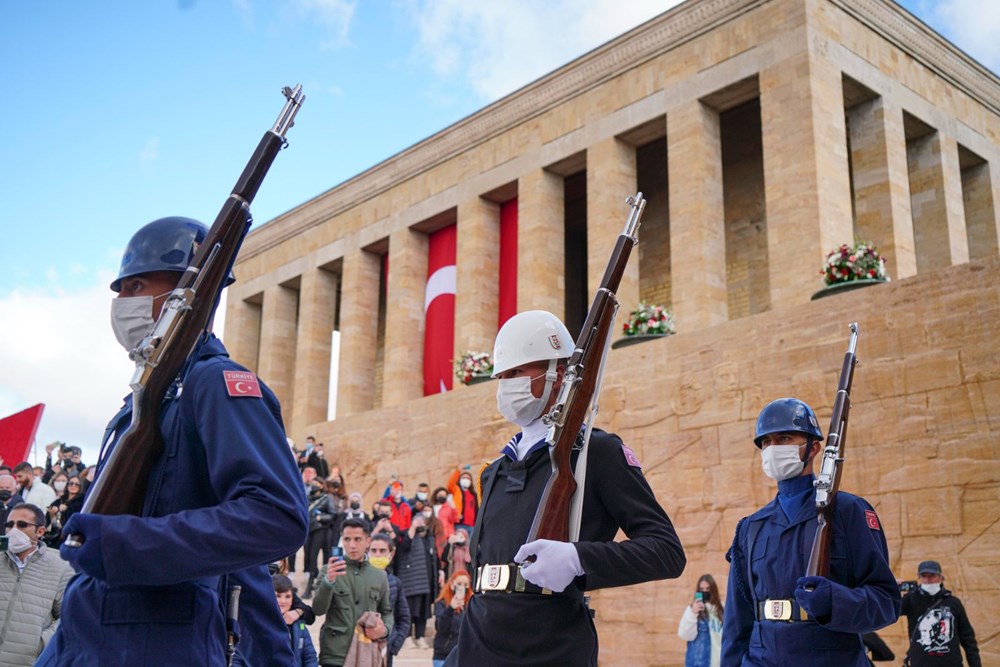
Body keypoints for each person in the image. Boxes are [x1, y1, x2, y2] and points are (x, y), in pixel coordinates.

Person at [36, 216, 310, 667]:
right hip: (86, 638)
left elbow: (274, 517)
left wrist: (124, 545)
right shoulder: (143, 399)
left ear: (191, 288)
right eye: (121, 289)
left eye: (137, 285)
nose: (122, 301)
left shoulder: (216, 383)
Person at [445, 310, 686, 665]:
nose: (507, 384)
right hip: (479, 647)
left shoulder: (596, 453)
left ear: (559, 374)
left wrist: (578, 559)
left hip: (551, 649)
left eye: (518, 372)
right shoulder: (492, 472)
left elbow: (666, 551)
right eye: (503, 376)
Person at [722, 397, 901, 666]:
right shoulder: (751, 527)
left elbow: (886, 602)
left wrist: (835, 601)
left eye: (784, 438)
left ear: (814, 448)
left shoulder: (847, 511)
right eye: (766, 442)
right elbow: (737, 621)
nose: (773, 448)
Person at [312, 517, 394, 667]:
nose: (352, 545)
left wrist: (385, 630)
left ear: (368, 541)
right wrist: (329, 581)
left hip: (366, 652)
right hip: (336, 654)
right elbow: (318, 609)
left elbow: (386, 611)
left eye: (357, 539)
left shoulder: (380, 575)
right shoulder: (328, 570)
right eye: (347, 539)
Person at [1, 503, 74, 665]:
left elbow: (67, 615)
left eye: (22, 525)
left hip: (27, 660)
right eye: (9, 524)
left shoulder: (60, 566)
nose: (13, 530)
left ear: (40, 531)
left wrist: (42, 642)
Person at [900, 560, 980, 667]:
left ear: (941, 578)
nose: (928, 580)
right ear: (919, 578)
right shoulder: (910, 600)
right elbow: (887, 613)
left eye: (932, 576)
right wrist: (891, 590)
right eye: (924, 576)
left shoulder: (953, 602)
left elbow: (968, 638)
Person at [369, 533, 412, 667]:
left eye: (382, 551)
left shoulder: (396, 582)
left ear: (391, 554)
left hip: (385, 649)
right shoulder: (357, 579)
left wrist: (394, 645)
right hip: (360, 646)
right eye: (373, 550)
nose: (377, 555)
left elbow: (404, 618)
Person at [397, 512, 437, 649]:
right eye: (418, 521)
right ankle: (407, 637)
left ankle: (420, 637)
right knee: (408, 611)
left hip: (426, 581)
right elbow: (404, 547)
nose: (421, 524)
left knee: (423, 612)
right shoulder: (406, 535)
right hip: (410, 581)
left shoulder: (429, 539)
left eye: (423, 522)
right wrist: (413, 527)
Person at [677, 574, 724, 667]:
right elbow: (684, 634)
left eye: (708, 589)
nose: (705, 592)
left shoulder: (722, 610)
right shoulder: (692, 611)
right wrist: (693, 613)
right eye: (701, 590)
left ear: (713, 590)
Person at [433, 570, 473, 667]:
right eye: (459, 584)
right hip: (444, 654)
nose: (462, 587)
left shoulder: (471, 605)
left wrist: (465, 611)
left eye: (465, 584)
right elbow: (440, 627)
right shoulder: (442, 604)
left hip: (464, 654)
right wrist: (450, 609)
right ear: (452, 584)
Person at [43, 474, 84, 547]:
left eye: (77, 484)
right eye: (71, 483)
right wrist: (52, 515)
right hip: (53, 539)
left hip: (69, 538)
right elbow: (51, 523)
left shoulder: (81, 503)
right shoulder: (59, 501)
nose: (73, 485)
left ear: (81, 487)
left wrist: (67, 510)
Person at [446, 466, 478, 534]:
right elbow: (450, 485)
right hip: (460, 524)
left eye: (468, 478)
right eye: (463, 478)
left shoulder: (474, 494)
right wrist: (458, 471)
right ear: (459, 480)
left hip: (473, 526)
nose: (466, 479)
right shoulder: (457, 490)